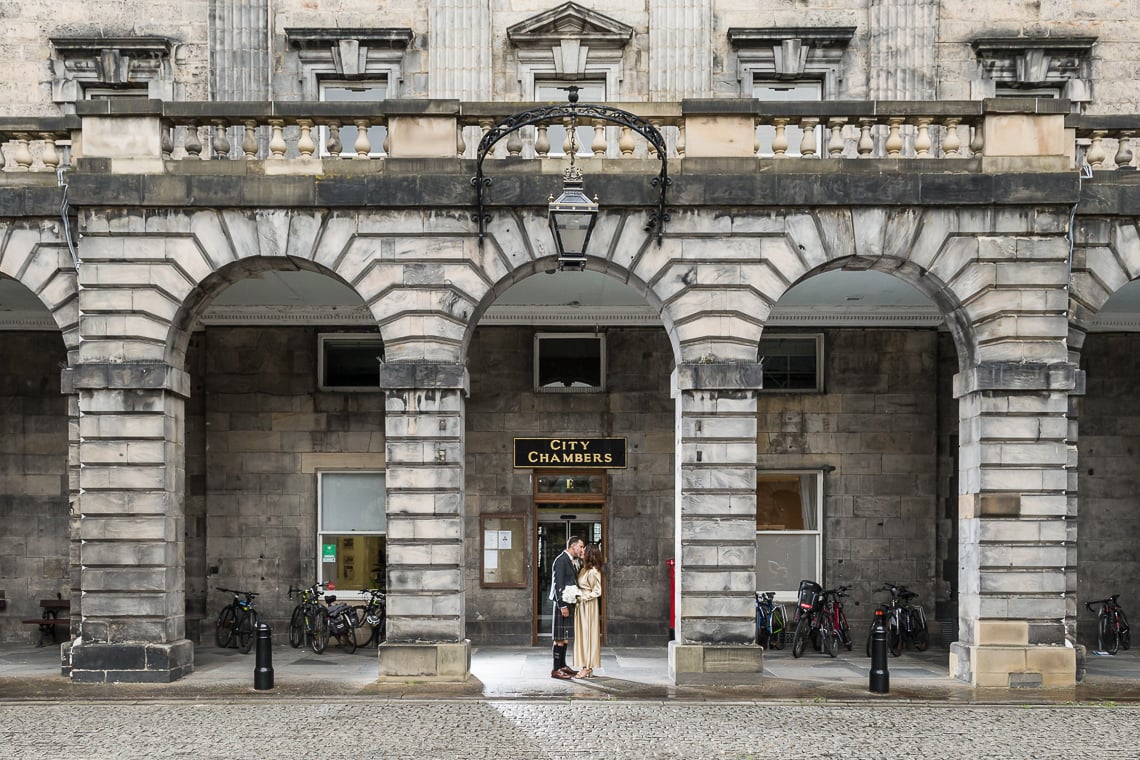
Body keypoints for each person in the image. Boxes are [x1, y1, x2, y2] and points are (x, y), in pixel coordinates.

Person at [549, 535, 584, 679]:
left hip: (568, 604)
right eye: (580, 546)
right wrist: (562, 605)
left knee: (565, 637)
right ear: (573, 546)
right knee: (559, 638)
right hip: (561, 604)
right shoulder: (561, 560)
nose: (582, 549)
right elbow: (558, 585)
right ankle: (556, 669)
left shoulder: (571, 561)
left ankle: (563, 665)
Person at [573, 542, 603, 678]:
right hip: (581, 605)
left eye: (584, 550)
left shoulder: (594, 571)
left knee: (588, 635)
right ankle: (585, 665)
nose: (582, 551)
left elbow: (597, 591)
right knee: (582, 635)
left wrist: (584, 597)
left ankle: (588, 666)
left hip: (589, 606)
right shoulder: (583, 568)